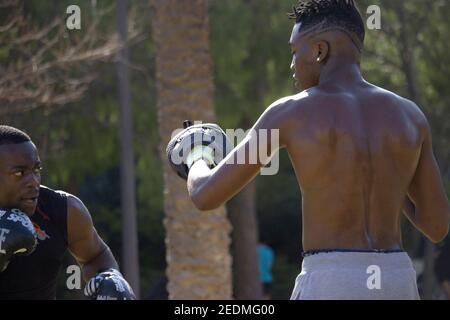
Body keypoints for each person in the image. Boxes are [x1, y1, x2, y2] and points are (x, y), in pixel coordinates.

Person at [167, 0, 450, 299]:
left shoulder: (290, 113)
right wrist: (392, 178)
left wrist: (196, 154)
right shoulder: (411, 116)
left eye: (294, 51)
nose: (291, 65)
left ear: (319, 50)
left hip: (331, 279)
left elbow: (205, 194)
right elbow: (437, 227)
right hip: (396, 280)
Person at [0, 125, 135, 300]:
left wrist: (111, 276)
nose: (33, 182)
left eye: (36, 170)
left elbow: (96, 256)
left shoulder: (63, 210)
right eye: (19, 172)